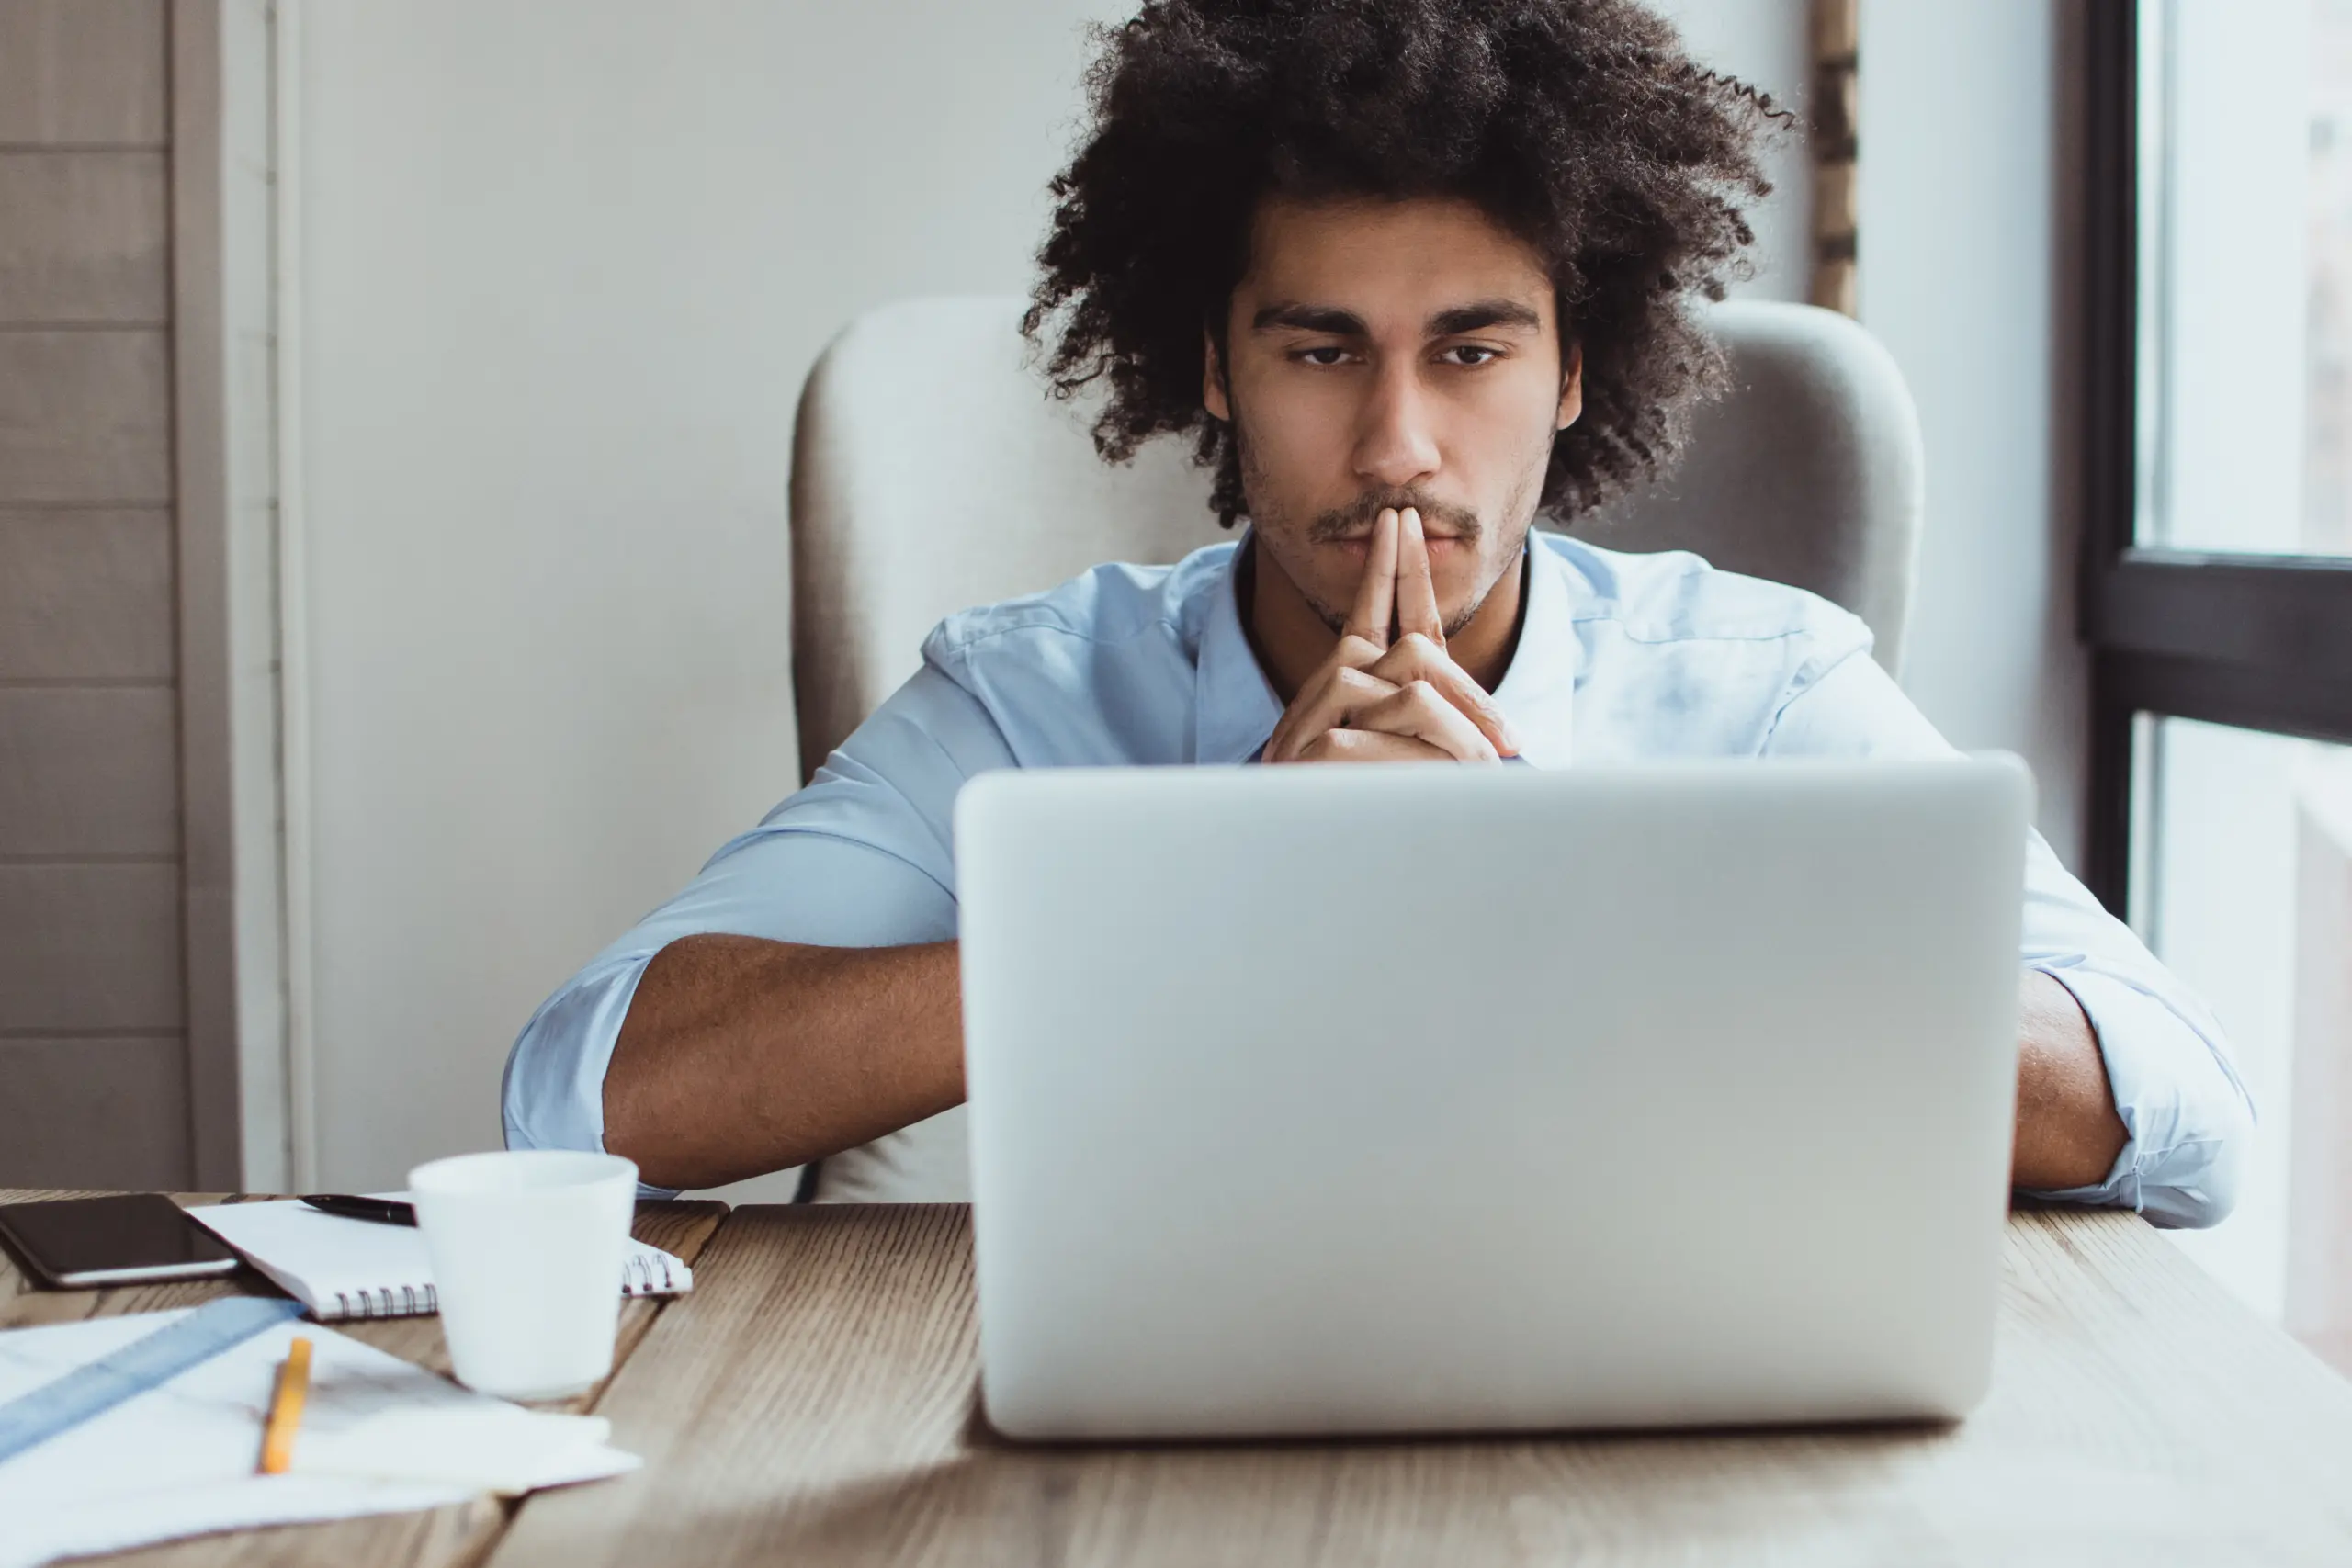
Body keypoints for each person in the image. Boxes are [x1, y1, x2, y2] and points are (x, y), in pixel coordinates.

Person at [503, 0, 2250, 1224]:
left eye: (1474, 350)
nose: (1398, 443)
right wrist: (1213, 880)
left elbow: (2175, 1103)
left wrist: (1572, 901)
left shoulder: (1765, 688)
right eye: (1320, 349)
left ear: (1576, 371)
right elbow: (594, 1093)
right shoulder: (1034, 699)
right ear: (1213, 365)